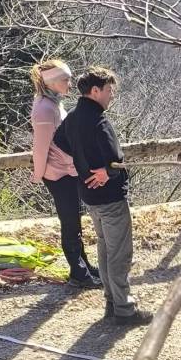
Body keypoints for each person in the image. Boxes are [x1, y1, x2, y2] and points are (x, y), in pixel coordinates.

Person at [54, 67, 152, 326]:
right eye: (109, 90)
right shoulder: (99, 120)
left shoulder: (73, 117)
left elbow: (59, 140)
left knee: (106, 249)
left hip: (89, 194)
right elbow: (116, 161)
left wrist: (82, 162)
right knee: (119, 253)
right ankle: (124, 308)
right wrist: (106, 171)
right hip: (109, 196)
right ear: (95, 91)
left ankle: (111, 301)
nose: (112, 95)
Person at [29, 60, 101, 289]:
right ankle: (78, 273)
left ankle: (83, 266)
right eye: (65, 79)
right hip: (57, 174)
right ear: (51, 82)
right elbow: (40, 147)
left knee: (74, 220)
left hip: (67, 171)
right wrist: (38, 174)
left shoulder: (52, 103)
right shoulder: (45, 108)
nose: (70, 83)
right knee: (69, 222)